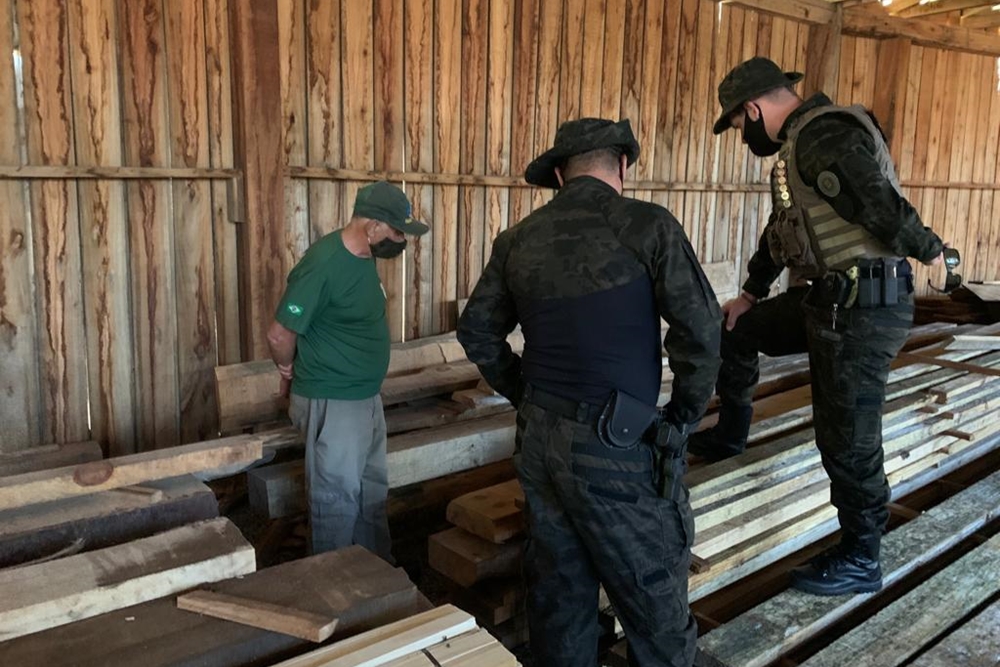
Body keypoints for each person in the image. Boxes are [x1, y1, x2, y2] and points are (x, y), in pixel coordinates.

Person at [457, 118, 722, 667]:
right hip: (615, 444)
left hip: (539, 441)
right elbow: (701, 330)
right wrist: (683, 417)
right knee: (653, 599)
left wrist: (523, 392)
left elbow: (476, 331)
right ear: (622, 165)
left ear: (559, 173)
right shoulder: (647, 226)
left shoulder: (517, 240)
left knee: (560, 588)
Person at [696, 57, 945, 596]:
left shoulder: (823, 136)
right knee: (738, 331)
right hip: (830, 303)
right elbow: (779, 232)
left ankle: (862, 556)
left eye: (739, 126)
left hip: (864, 310)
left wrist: (931, 251)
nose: (743, 137)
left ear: (753, 108)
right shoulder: (795, 151)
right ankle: (730, 436)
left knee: (847, 439)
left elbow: (878, 202)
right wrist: (749, 294)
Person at [266, 181, 429, 561]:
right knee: (336, 500)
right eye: (395, 231)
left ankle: (374, 581)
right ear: (372, 226)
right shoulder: (323, 263)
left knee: (371, 492)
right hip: (334, 399)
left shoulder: (364, 256)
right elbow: (279, 333)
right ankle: (336, 589)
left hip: (363, 398)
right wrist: (287, 371)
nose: (400, 240)